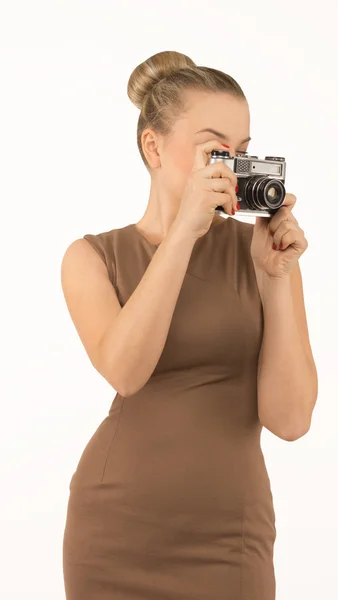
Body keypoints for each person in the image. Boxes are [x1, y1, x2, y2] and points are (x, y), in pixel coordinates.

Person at [61, 50, 317, 600]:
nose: (232, 165)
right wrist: (183, 234)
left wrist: (274, 278)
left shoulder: (261, 254)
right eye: (214, 149)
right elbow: (126, 372)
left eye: (243, 152)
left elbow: (291, 420)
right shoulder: (91, 258)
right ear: (153, 147)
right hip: (116, 533)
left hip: (232, 536)